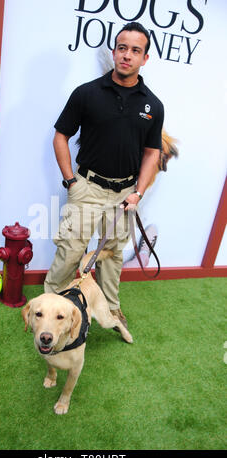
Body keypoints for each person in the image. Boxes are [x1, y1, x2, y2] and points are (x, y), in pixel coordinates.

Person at [44, 22, 164, 330]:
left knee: (111, 257)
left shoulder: (153, 105)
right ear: (114, 52)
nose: (127, 55)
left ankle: (110, 311)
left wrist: (138, 191)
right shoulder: (87, 93)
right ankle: (48, 309)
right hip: (87, 187)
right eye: (122, 48)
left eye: (135, 50)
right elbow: (61, 136)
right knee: (71, 252)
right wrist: (72, 181)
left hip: (125, 195)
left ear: (144, 58)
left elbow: (152, 152)